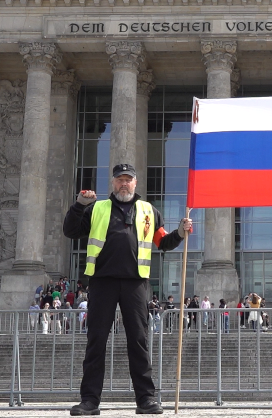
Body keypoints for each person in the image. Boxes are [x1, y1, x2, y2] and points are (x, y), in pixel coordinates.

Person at [63, 163, 191, 416]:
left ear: (135, 183)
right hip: (102, 281)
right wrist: (79, 205)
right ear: (113, 183)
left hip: (136, 283)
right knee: (96, 341)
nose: (124, 183)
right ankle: (89, 401)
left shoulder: (148, 210)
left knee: (139, 341)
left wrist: (179, 232)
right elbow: (70, 231)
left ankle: (146, 399)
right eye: (119, 179)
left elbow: (162, 242)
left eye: (128, 180)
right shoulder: (97, 208)